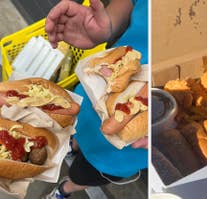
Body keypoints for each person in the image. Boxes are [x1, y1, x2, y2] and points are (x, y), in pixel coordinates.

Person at [43, 0, 148, 198]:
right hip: (95, 90)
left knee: (83, 175)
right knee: (76, 134)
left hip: (126, 151)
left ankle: (66, 188)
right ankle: (72, 147)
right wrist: (108, 24)